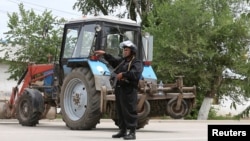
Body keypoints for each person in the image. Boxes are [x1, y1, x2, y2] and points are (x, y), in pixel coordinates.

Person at [95, 40, 143, 140]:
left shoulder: (136, 62)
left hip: (129, 89)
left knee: (129, 110)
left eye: (126, 50)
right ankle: (122, 130)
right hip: (120, 88)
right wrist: (105, 54)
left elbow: (135, 74)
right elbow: (113, 61)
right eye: (124, 50)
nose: (124, 52)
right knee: (120, 110)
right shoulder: (123, 61)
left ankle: (132, 132)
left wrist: (124, 74)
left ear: (132, 51)